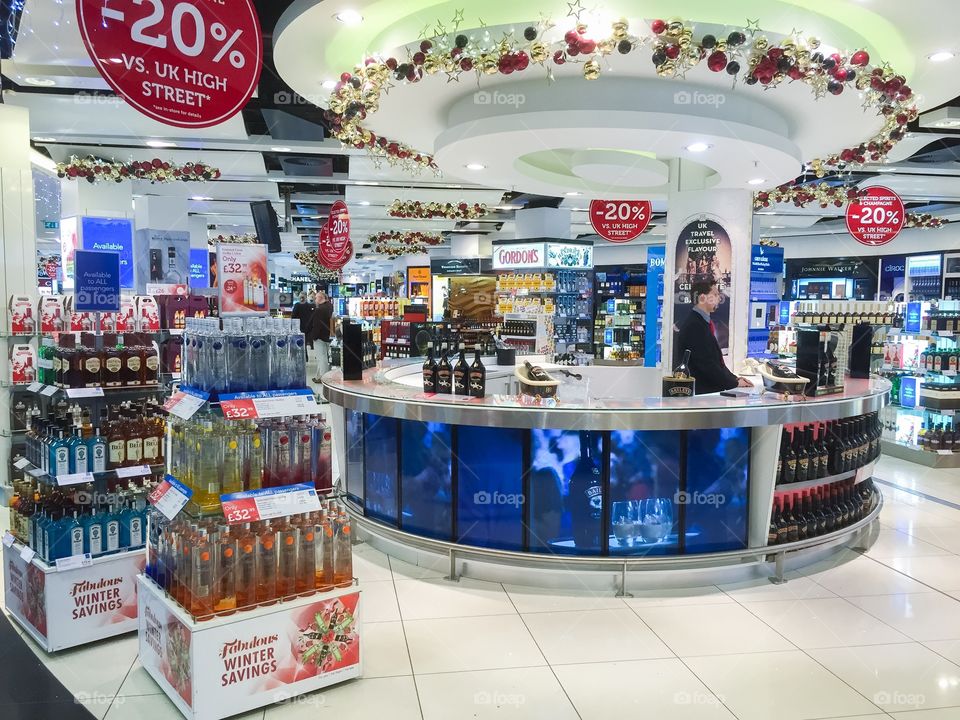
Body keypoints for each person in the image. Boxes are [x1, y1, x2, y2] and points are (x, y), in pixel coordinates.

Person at [674, 280, 752, 395]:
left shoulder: (701, 323)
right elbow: (706, 364)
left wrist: (735, 379)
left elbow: (717, 362)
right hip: (701, 396)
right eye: (715, 294)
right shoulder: (694, 325)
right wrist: (733, 383)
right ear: (702, 298)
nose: (719, 298)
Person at [309, 291, 335, 382]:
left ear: (320, 298)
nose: (315, 300)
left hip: (320, 336)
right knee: (325, 357)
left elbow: (317, 325)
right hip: (328, 335)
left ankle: (323, 378)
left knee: (321, 358)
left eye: (316, 298)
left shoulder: (319, 310)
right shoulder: (330, 306)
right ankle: (318, 376)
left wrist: (314, 336)